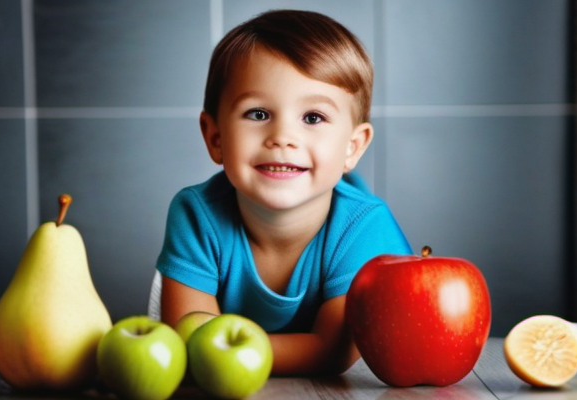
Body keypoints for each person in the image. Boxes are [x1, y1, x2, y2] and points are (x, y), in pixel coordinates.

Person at [156, 9, 412, 376]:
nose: (283, 138)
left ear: (353, 147)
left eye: (312, 118)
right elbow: (187, 339)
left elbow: (333, 351)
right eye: (258, 114)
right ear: (215, 138)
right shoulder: (196, 215)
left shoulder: (365, 226)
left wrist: (225, 355)